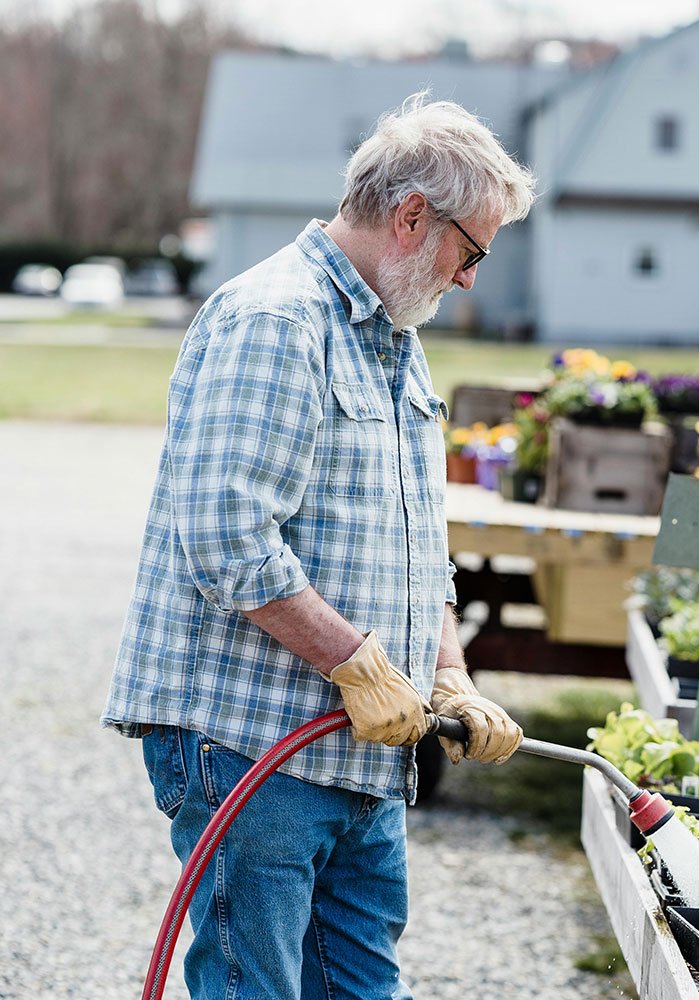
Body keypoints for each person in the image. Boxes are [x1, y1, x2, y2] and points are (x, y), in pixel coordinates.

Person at [102, 92, 536, 999]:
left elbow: (422, 552)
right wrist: (355, 663)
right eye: (473, 249)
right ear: (413, 214)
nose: (469, 279)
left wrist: (448, 672)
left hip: (363, 751)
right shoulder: (276, 321)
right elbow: (226, 536)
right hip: (251, 739)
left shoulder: (393, 344)